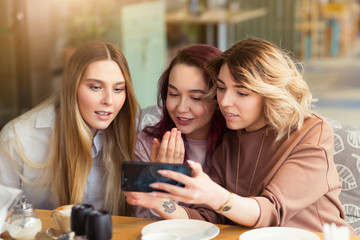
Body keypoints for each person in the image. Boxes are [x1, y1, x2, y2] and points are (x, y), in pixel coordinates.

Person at [125, 38, 356, 234]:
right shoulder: (230, 142)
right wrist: (162, 203)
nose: (224, 101)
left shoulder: (310, 132)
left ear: (269, 93)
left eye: (242, 92)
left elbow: (272, 212)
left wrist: (216, 195)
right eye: (222, 88)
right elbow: (211, 218)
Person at [0, 40, 139, 216]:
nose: (109, 101)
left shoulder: (134, 131)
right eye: (96, 87)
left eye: (118, 89)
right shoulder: (19, 138)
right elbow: (3, 219)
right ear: (72, 87)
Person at [132, 44, 227, 219]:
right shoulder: (148, 144)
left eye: (196, 98)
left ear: (219, 98)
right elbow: (142, 223)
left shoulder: (234, 144)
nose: (181, 108)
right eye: (174, 94)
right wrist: (163, 182)